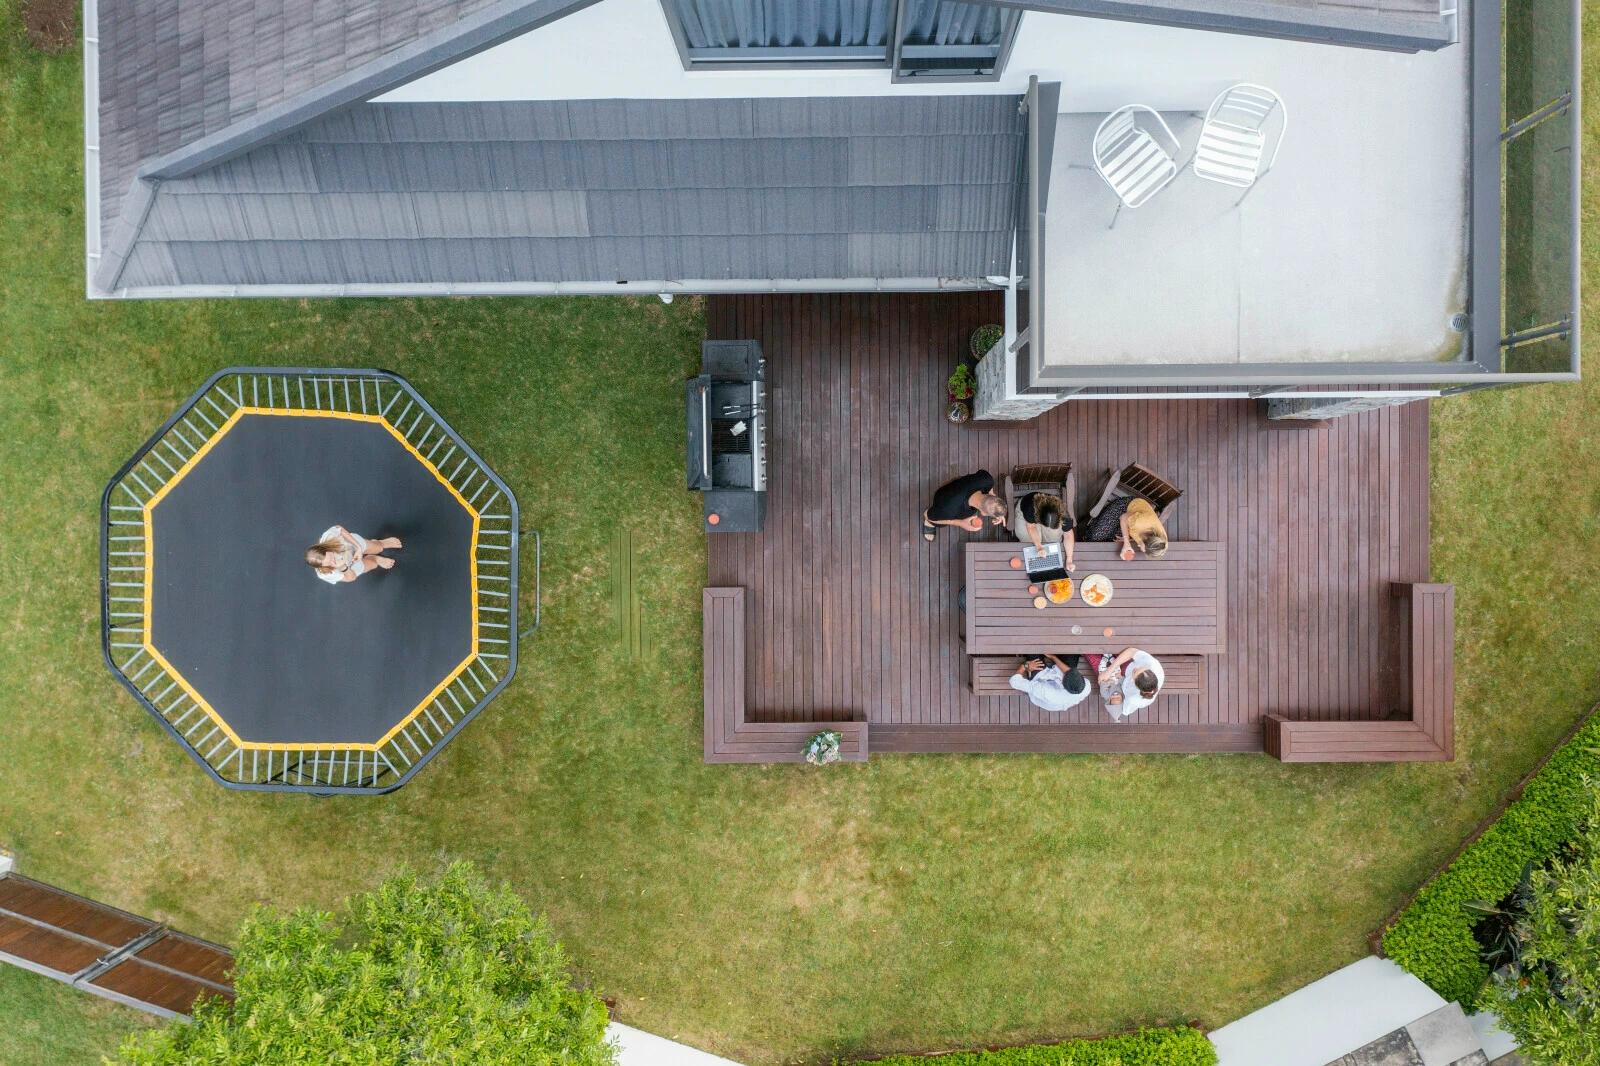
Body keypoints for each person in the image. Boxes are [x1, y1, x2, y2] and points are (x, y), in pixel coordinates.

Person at [1079, 494, 1168, 562]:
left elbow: (1142, 542)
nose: (1141, 550)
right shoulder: (1140, 522)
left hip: (1132, 523)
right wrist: (1126, 542)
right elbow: (1124, 518)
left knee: (1113, 540)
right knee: (1096, 536)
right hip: (1126, 508)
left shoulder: (1161, 545)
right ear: (1146, 539)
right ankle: (1086, 534)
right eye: (1143, 550)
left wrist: (1131, 540)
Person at [922, 470, 1006, 541]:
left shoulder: (987, 480)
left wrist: (997, 508)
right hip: (943, 499)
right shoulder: (949, 509)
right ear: (983, 513)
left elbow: (990, 489)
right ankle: (929, 524)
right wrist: (961, 523)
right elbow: (928, 515)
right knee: (937, 520)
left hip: (959, 485)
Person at [305, 525, 402, 584]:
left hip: (350, 545)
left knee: (378, 548)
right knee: (373, 565)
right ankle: (375, 558)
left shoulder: (329, 537)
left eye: (331, 557)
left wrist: (359, 548)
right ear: (322, 566)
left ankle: (381, 543)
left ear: (326, 548)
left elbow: (340, 529)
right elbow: (351, 578)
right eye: (329, 563)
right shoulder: (325, 574)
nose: (333, 561)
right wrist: (343, 567)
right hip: (349, 567)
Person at [1089, 647, 1164, 721]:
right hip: (1126, 666)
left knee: (1093, 658)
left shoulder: (1134, 700)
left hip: (1115, 682)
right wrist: (1109, 671)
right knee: (1111, 645)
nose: (1136, 668)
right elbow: (1131, 651)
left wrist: (1109, 687)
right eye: (1141, 668)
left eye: (1135, 672)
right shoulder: (1153, 665)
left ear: (1135, 685)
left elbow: (1123, 710)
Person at [1010, 491, 1075, 570]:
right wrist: (1039, 546)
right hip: (1027, 516)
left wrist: (1069, 560)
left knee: (1053, 539)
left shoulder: (1063, 514)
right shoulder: (1030, 508)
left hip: (1044, 515)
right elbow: (1031, 527)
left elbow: (1068, 535)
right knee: (1028, 540)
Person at [1009, 653, 1090, 712]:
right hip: (1062, 687)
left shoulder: (1044, 691)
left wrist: (1025, 666)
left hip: (1042, 681)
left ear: (1061, 681)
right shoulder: (1086, 686)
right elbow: (1068, 671)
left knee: (1033, 652)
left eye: (1065, 673)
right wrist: (1053, 657)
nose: (1065, 669)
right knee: (1071, 652)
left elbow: (1014, 682)